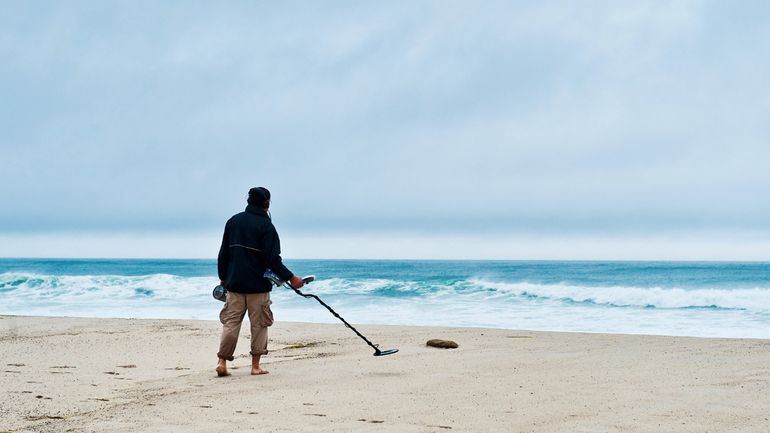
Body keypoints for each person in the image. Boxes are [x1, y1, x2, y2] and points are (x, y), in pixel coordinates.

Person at [215, 186, 304, 376]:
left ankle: (222, 362)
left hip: (234, 284)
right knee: (260, 325)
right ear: (266, 203)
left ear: (248, 201)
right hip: (258, 287)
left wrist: (223, 278)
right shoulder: (266, 227)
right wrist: (291, 278)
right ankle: (255, 367)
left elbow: (223, 254)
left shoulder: (233, 221)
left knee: (231, 324)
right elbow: (273, 260)